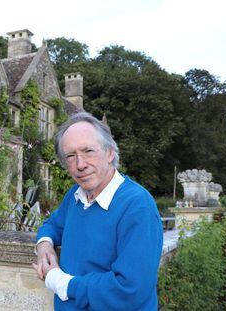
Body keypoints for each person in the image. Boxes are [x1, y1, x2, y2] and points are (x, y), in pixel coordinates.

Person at [33, 112, 163, 310]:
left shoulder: (137, 205)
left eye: (88, 151)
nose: (80, 164)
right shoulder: (75, 196)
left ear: (110, 152)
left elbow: (129, 289)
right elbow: (52, 224)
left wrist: (60, 282)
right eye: (70, 156)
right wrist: (44, 245)